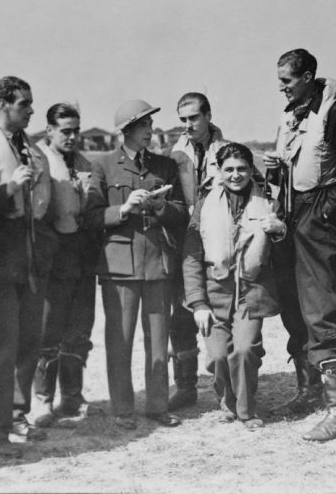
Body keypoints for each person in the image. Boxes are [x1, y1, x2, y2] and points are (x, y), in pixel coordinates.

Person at [262, 49, 336, 440]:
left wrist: (326, 210)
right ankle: (309, 389)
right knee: (292, 304)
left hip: (318, 214)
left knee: (320, 307)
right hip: (287, 213)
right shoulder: (290, 114)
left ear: (308, 76)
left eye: (287, 80)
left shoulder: (334, 113)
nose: (281, 87)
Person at [85, 99, 188, 429]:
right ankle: (122, 409)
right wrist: (124, 210)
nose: (150, 130)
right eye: (144, 125)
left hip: (157, 263)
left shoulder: (165, 165)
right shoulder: (103, 166)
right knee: (120, 341)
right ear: (127, 130)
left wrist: (160, 207)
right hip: (119, 267)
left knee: (158, 341)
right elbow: (90, 216)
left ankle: (157, 406)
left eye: (150, 125)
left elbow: (181, 213)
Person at [0, 76, 53, 458]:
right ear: (3, 104)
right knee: (0, 351)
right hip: (0, 264)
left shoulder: (28, 148)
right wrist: (11, 189)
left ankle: (18, 415)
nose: (32, 110)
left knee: (28, 345)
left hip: (32, 262)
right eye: (24, 104)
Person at [182, 142, 285, 430]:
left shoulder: (269, 203)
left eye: (242, 169)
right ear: (219, 171)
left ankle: (246, 410)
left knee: (244, 350)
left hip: (251, 290)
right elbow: (191, 255)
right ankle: (226, 400)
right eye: (229, 169)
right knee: (217, 355)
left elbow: (285, 252)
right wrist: (198, 303)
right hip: (214, 290)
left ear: (252, 170)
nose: (236, 175)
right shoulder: (204, 205)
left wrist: (280, 232)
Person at [30, 103, 99, 425]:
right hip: (52, 257)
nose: (72, 137)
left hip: (82, 256)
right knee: (48, 330)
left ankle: (71, 396)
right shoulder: (38, 161)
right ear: (50, 131)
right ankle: (42, 399)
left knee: (79, 329)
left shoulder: (85, 163)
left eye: (76, 131)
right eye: (65, 131)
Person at [163, 92, 227, 411]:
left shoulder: (227, 151)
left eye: (194, 118)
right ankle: (186, 385)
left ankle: (225, 384)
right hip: (182, 242)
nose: (188, 125)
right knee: (181, 316)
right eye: (183, 120)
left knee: (218, 309)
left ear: (208, 114)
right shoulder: (173, 156)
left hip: (217, 241)